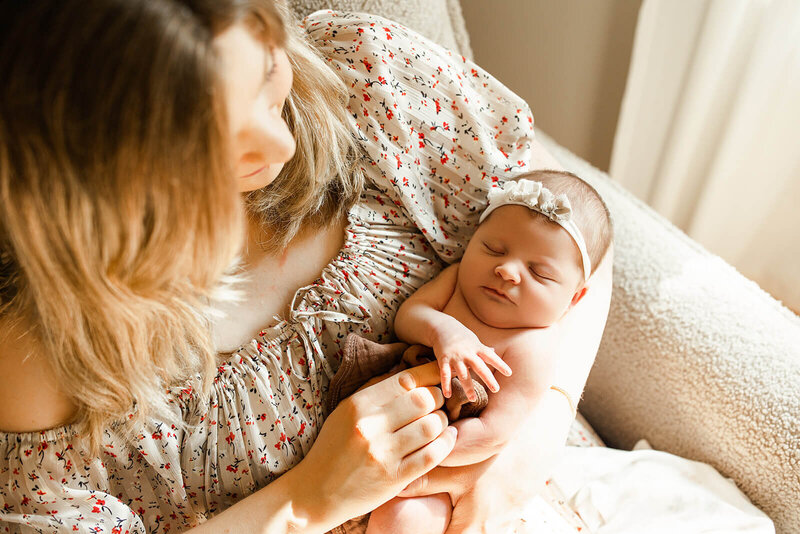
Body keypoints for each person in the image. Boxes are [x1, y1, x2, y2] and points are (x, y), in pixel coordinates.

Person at [0, 2, 613, 533]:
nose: (282, 145)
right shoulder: (41, 350)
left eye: (268, 73)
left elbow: (580, 235)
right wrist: (305, 502)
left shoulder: (368, 82)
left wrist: (532, 438)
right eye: (211, 142)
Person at [366, 171, 613, 534]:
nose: (507, 270)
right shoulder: (456, 284)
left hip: (449, 464)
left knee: (404, 522)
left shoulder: (533, 346)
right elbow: (407, 318)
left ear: (573, 299)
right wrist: (444, 330)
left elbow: (494, 431)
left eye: (539, 272)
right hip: (389, 417)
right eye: (493, 249)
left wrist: (418, 454)